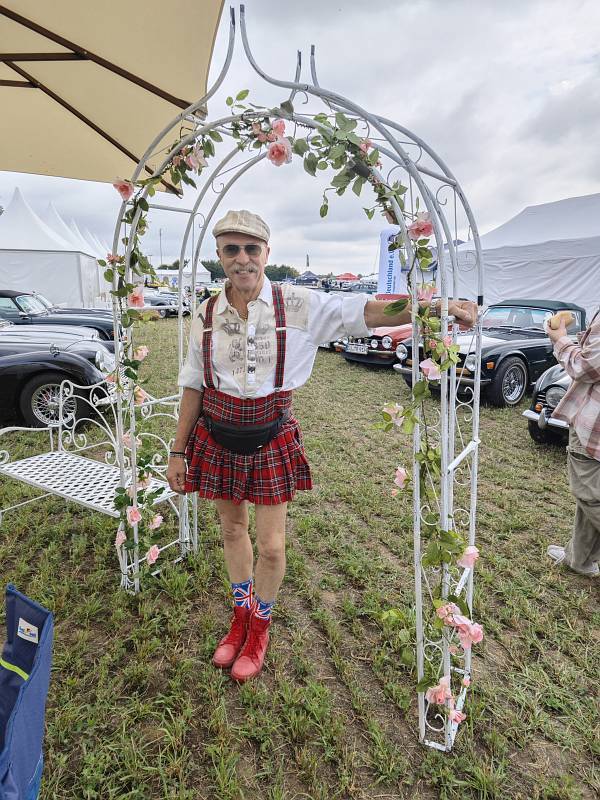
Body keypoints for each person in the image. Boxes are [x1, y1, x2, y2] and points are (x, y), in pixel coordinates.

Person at [166, 209, 477, 682]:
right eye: (231, 249)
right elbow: (193, 383)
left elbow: (368, 312)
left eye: (251, 249)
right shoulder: (207, 313)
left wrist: (435, 308)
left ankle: (259, 628)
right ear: (219, 256)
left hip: (269, 436)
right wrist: (178, 450)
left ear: (266, 253)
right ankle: (240, 618)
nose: (242, 259)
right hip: (218, 434)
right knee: (231, 532)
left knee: (272, 547)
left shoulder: (298, 304)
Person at [546, 308, 600, 577]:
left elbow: (586, 367)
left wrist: (560, 339)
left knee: (589, 494)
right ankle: (579, 559)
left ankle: (579, 558)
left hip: (594, 422)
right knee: (591, 494)